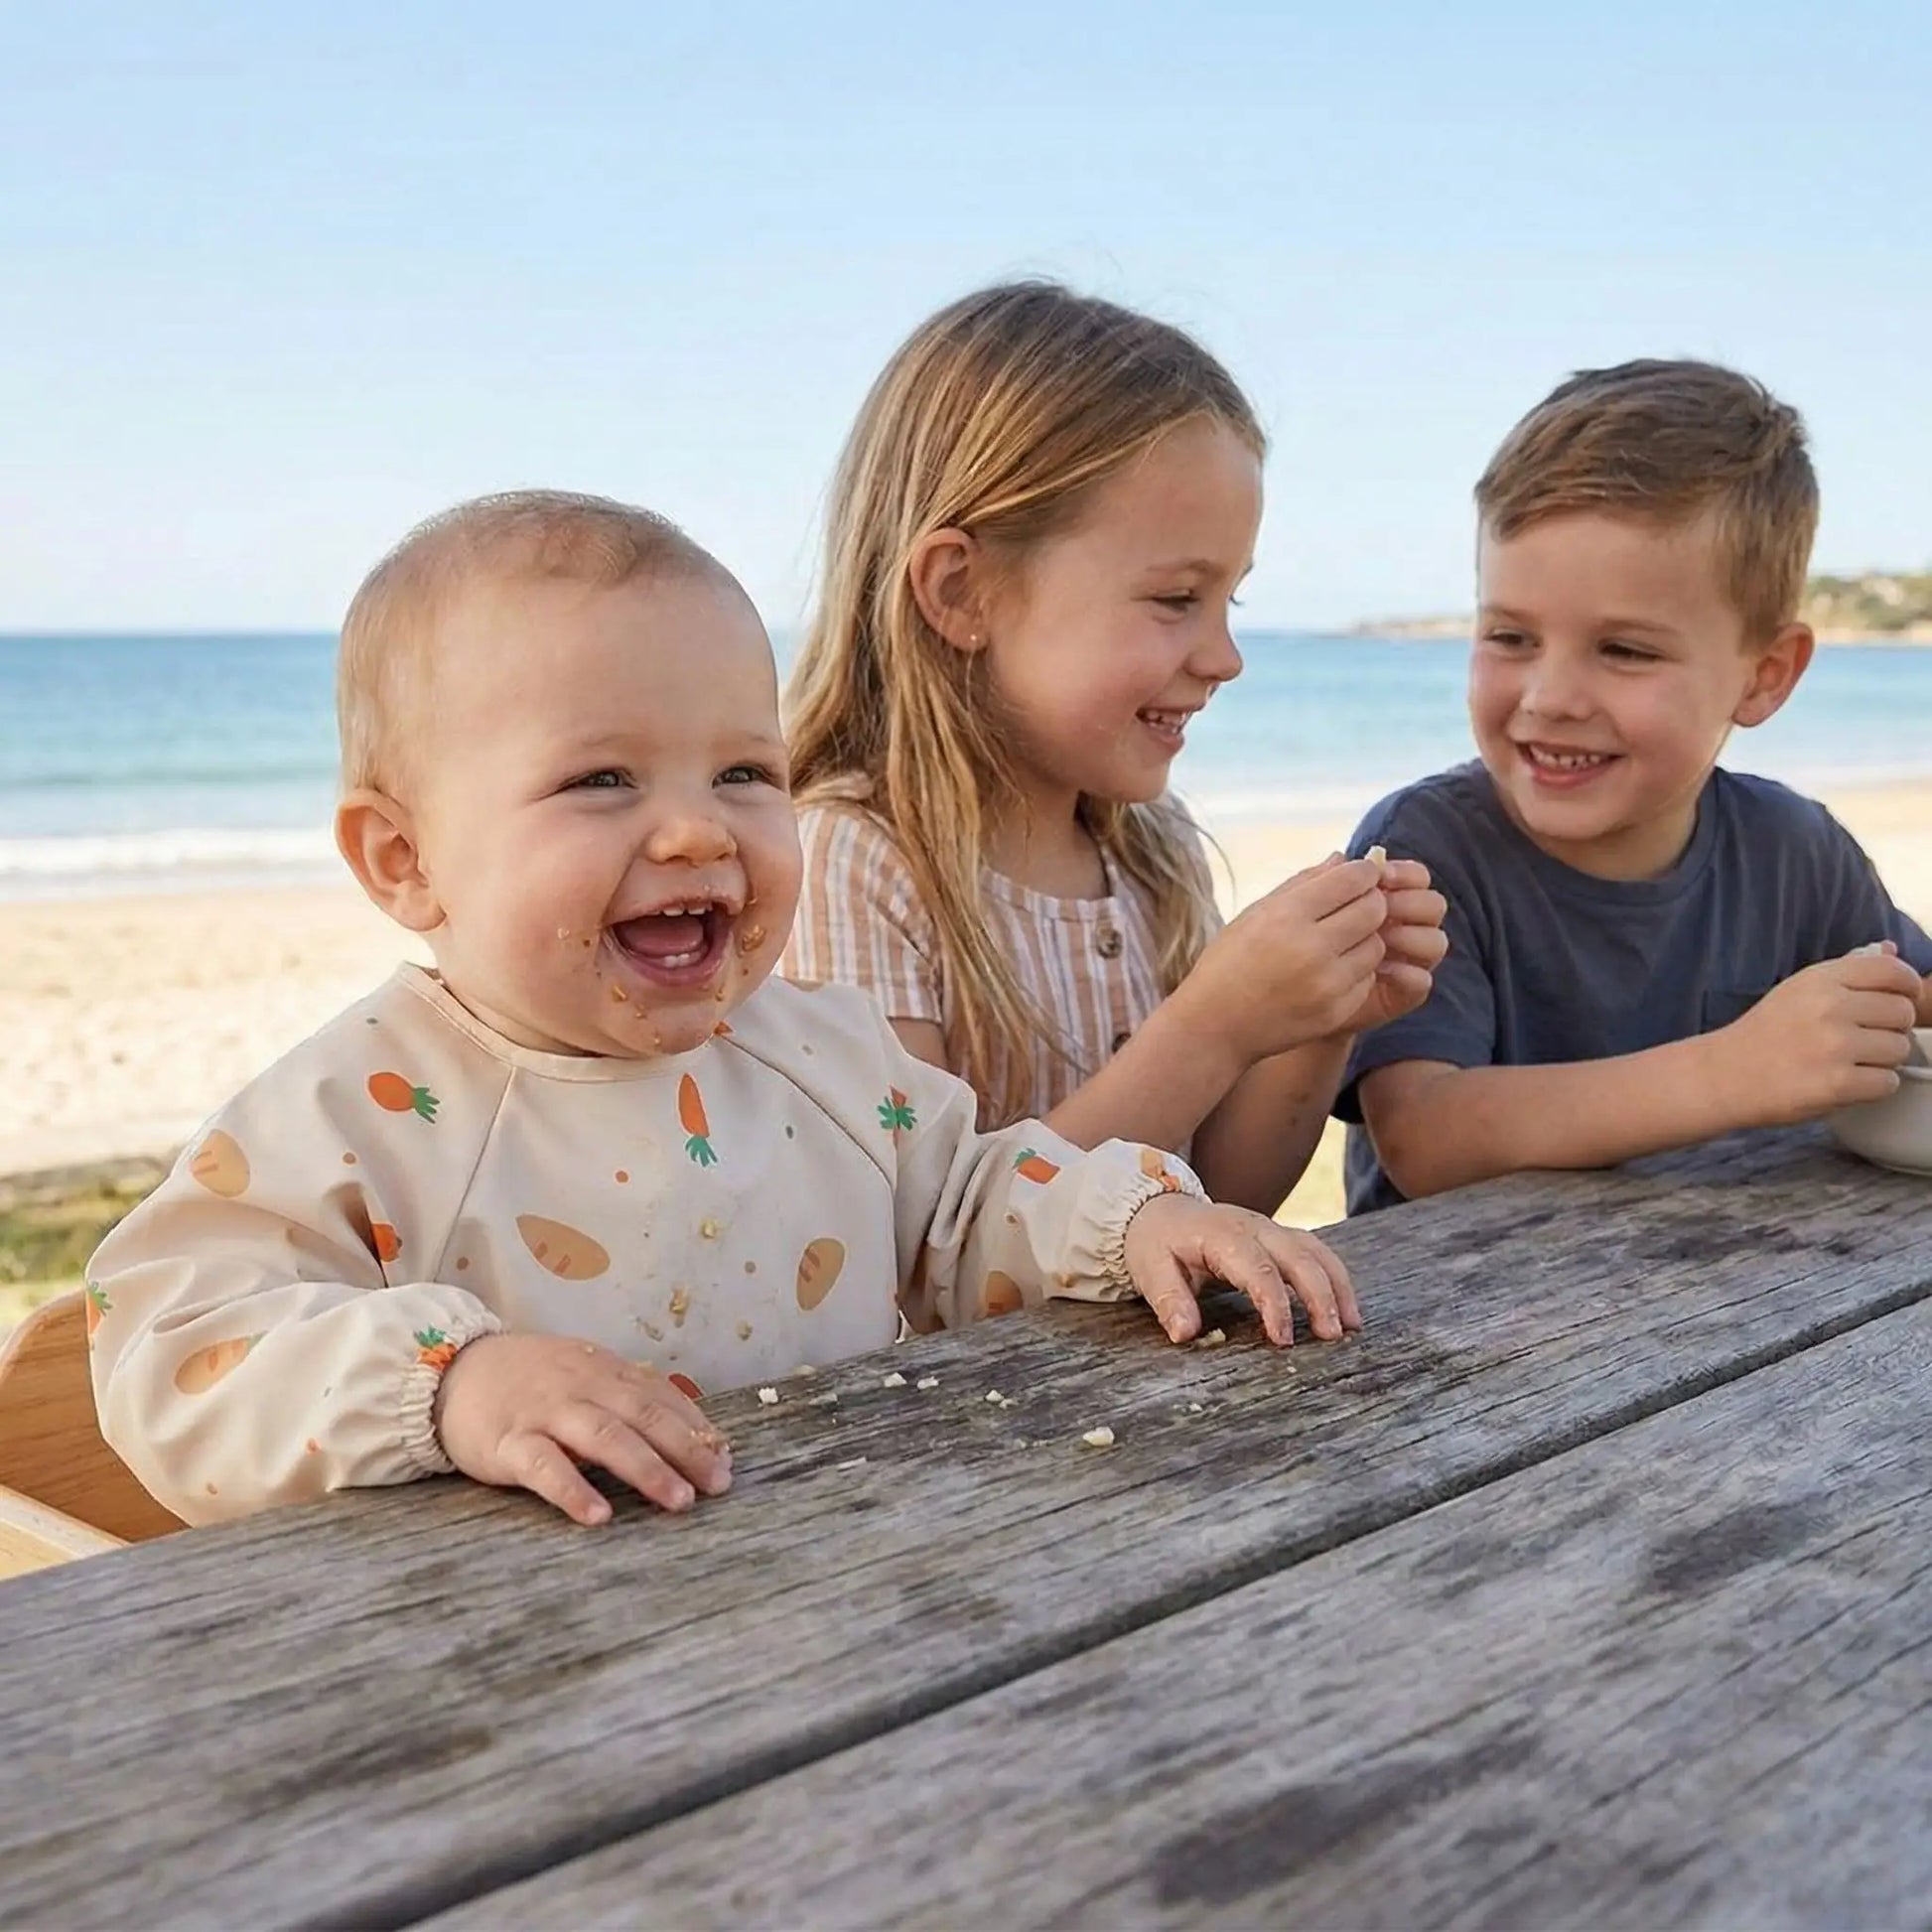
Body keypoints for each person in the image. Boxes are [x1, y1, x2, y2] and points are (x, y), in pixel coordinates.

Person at [87, 490, 1361, 1531]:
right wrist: (452, 1381)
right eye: (601, 779)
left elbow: (969, 1200)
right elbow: (169, 1343)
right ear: (404, 860)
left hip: (831, 1571)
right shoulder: (361, 1111)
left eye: (745, 771)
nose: (698, 829)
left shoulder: (821, 1059)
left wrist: (1132, 1221)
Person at [783, 281, 1447, 1213]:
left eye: (1229, 601)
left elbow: (1218, 1196)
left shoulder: (1152, 850)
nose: (1225, 657)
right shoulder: (850, 865)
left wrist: (1313, 1024)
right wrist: (1214, 1026)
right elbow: (919, 1243)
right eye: (1177, 599)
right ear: (962, 591)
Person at [1337, 359, 1932, 1213]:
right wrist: (1735, 1071)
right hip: (1465, 1294)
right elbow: (1425, 1136)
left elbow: (1914, 1000)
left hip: (1757, 1276)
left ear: (1765, 675)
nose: (1550, 697)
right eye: (1510, 637)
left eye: (1623, 650)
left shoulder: (1794, 851)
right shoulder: (1426, 850)